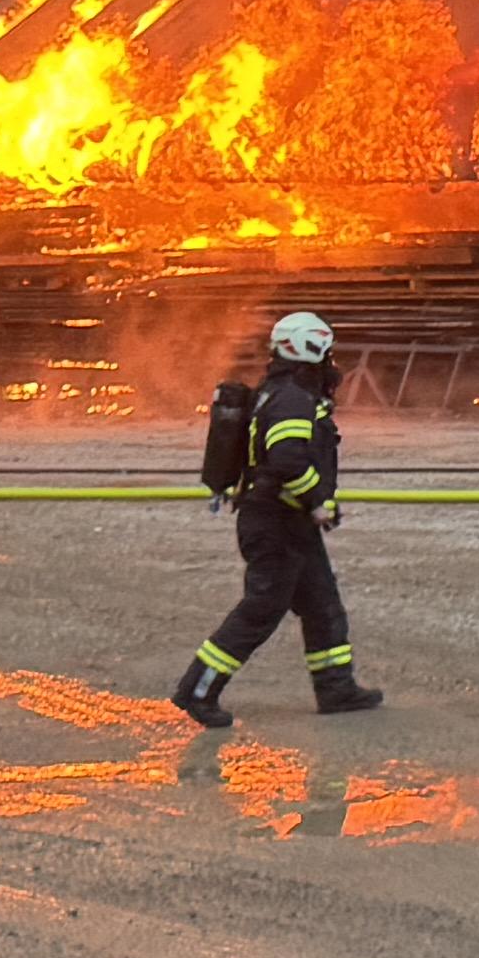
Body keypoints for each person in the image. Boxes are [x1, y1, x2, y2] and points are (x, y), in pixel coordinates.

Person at [176, 308, 379, 727]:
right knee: (261, 610)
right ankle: (197, 690)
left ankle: (336, 689)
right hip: (276, 523)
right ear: (313, 349)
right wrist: (318, 501)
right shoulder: (292, 399)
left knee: (322, 605)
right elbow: (287, 461)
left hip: (289, 522)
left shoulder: (280, 392)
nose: (331, 361)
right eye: (327, 351)